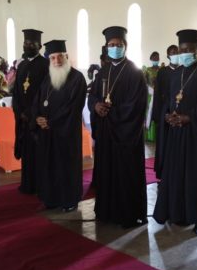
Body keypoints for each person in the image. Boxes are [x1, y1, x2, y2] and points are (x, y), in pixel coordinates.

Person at [152, 30, 197, 234]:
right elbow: (170, 99)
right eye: (182, 50)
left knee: (196, 177)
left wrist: (188, 117)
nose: (186, 53)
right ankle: (176, 212)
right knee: (176, 174)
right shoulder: (176, 73)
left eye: (190, 49)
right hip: (176, 132)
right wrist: (168, 114)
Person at [88, 26, 148, 228]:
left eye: (118, 44)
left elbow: (137, 105)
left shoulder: (134, 72)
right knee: (106, 172)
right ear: (106, 47)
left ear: (125, 46)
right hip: (106, 133)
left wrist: (111, 113)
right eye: (111, 45)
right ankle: (106, 212)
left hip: (125, 134)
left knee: (125, 174)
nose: (115, 48)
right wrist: (96, 106)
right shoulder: (103, 71)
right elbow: (93, 96)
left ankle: (128, 215)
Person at [32, 40, 87, 212]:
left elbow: (73, 107)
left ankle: (69, 200)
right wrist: (37, 117)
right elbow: (38, 101)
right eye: (53, 58)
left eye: (60, 57)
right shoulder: (48, 78)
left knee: (66, 166)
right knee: (49, 165)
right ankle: (51, 198)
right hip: (47, 133)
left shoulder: (77, 78)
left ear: (66, 57)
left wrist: (51, 122)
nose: (57, 61)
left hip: (66, 132)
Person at [12, 29, 49, 194]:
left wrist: (30, 112)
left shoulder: (46, 65)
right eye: (26, 43)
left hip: (37, 117)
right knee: (27, 151)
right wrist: (19, 111)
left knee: (39, 152)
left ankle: (40, 185)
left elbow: (45, 92)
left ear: (39, 46)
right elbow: (16, 92)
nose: (28, 46)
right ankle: (27, 184)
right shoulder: (22, 65)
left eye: (32, 44)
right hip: (23, 118)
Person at [151, 44, 180, 178]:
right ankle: (163, 171)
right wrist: (157, 116)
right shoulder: (162, 72)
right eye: (172, 53)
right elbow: (157, 94)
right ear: (168, 56)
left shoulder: (183, 70)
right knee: (164, 142)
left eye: (177, 52)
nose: (175, 55)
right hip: (165, 111)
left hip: (180, 111)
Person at [143, 51, 162, 142]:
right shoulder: (147, 70)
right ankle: (149, 135)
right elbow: (144, 82)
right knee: (149, 113)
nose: (156, 59)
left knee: (158, 112)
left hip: (159, 95)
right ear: (151, 59)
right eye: (154, 58)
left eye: (157, 58)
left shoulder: (162, 69)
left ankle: (158, 134)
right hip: (150, 95)